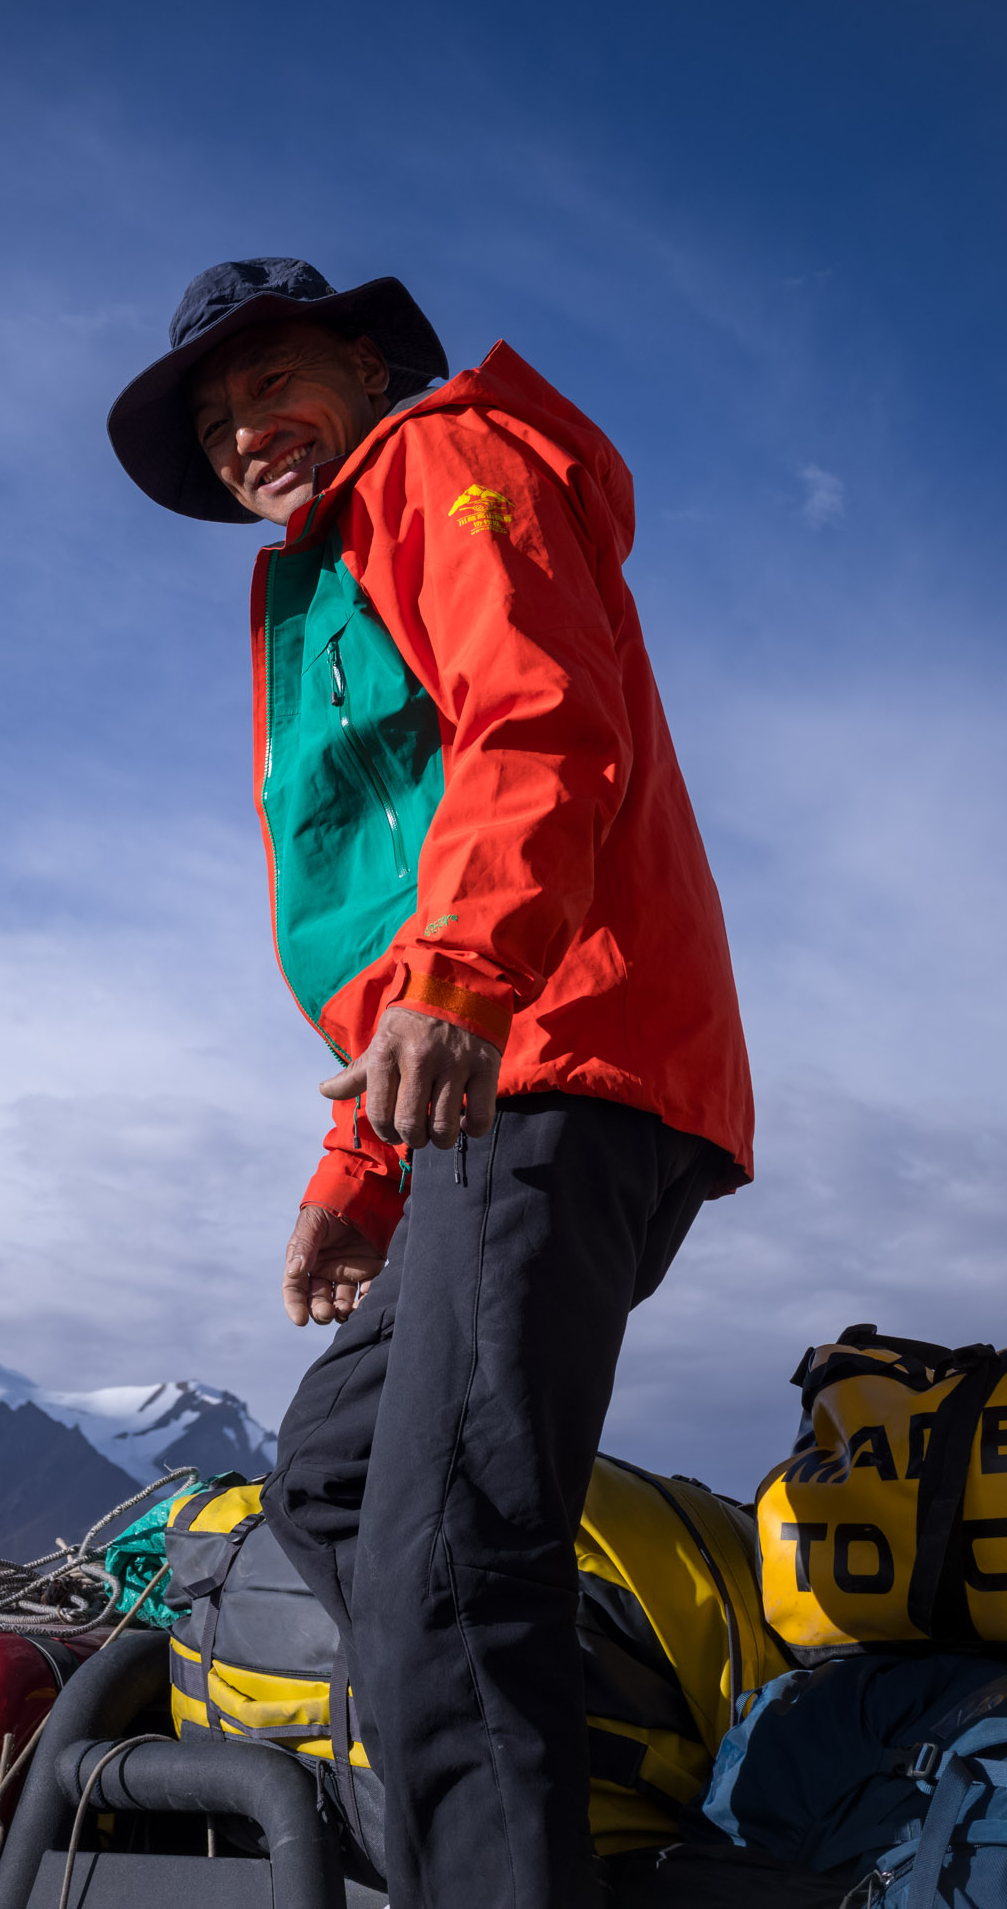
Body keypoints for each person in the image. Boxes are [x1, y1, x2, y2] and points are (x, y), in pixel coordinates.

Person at [105, 259, 755, 1909]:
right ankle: (526, 1772)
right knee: (332, 1482)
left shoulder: (441, 463)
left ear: (368, 366)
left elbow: (539, 725)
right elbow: (397, 911)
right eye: (218, 419)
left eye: (272, 388)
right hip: (485, 1085)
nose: (248, 433)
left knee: (455, 1572)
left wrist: (470, 981)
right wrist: (354, 1174)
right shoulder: (331, 572)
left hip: (563, 1056)